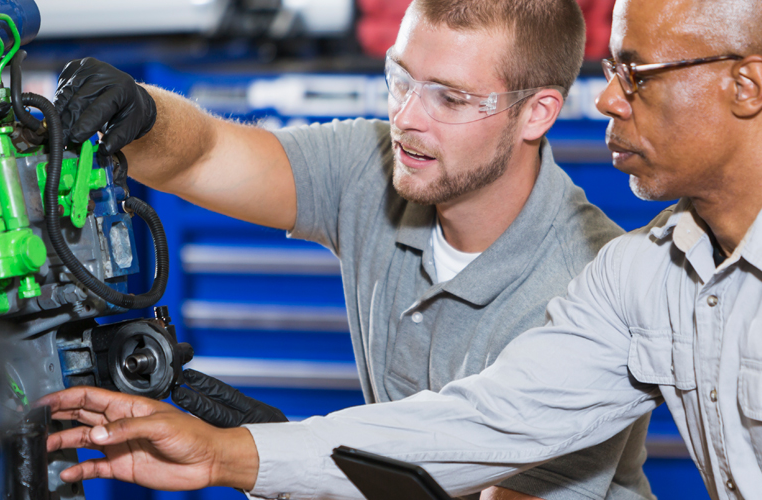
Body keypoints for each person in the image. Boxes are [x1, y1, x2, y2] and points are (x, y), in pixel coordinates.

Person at [42, 0, 762, 498]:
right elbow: (486, 419)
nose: (609, 101)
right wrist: (238, 452)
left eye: (635, 73)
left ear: (744, 86)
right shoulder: (654, 273)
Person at [49, 1, 655, 499]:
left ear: (537, 113)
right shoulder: (378, 165)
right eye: (401, 79)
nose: (408, 118)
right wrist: (145, 115)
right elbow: (205, 153)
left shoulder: (586, 285)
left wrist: (268, 458)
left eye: (449, 97)